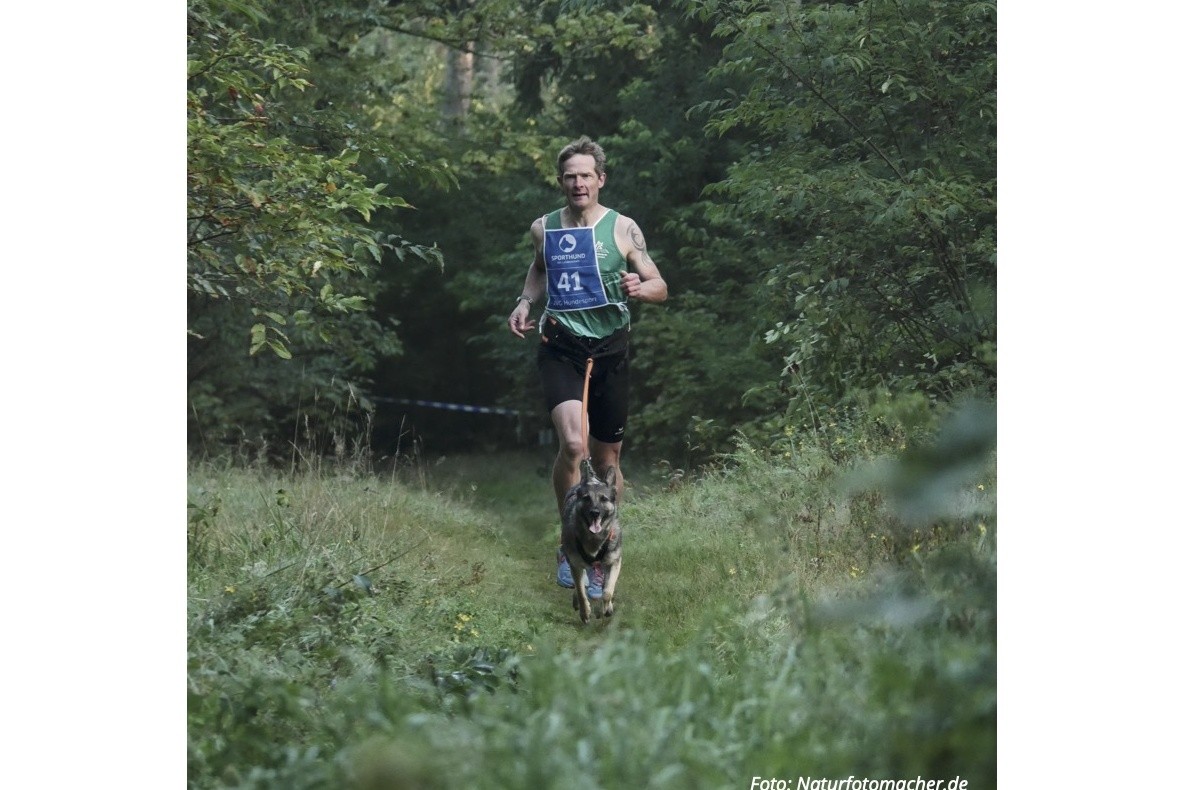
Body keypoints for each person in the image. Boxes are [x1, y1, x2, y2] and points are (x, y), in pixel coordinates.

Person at [507, 135, 668, 597]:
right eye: (570, 176)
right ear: (561, 182)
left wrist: (641, 288)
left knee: (606, 460)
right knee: (574, 446)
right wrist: (524, 302)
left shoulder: (623, 229)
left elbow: (661, 284)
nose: (578, 183)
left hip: (611, 349)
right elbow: (539, 268)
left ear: (601, 180)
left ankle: (604, 541)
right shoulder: (545, 228)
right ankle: (568, 541)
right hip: (561, 344)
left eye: (586, 175)